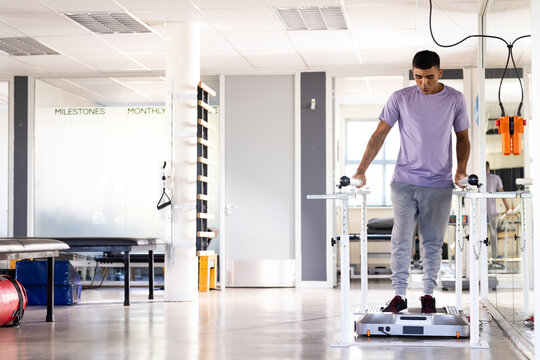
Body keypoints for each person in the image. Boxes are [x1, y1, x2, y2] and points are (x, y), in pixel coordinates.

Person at [353, 50, 471, 314]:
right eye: (418, 77)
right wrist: (361, 170)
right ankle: (399, 295)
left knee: (432, 241)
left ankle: (428, 294)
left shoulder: (455, 99)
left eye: (429, 77)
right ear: (413, 74)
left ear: (440, 72)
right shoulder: (400, 98)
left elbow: (462, 137)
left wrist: (460, 171)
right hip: (404, 181)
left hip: (439, 183)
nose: (423, 84)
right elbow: (379, 134)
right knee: (401, 239)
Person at [485, 161, 511, 264]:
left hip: (481, 212)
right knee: (493, 234)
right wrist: (507, 207)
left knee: (483, 236)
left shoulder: (479, 179)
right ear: (489, 168)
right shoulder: (496, 178)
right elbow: (502, 192)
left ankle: (484, 257)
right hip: (492, 212)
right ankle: (494, 257)